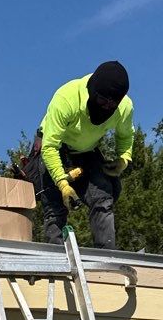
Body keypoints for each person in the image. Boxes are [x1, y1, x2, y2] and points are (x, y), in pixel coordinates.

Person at [27, 61, 134, 249]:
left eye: (112, 104)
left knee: (103, 198)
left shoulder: (124, 107)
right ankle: (58, 255)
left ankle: (107, 255)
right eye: (102, 101)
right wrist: (62, 184)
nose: (106, 107)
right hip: (55, 148)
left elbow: (125, 136)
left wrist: (123, 159)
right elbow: (50, 147)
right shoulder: (66, 98)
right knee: (55, 207)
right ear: (93, 91)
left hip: (87, 152)